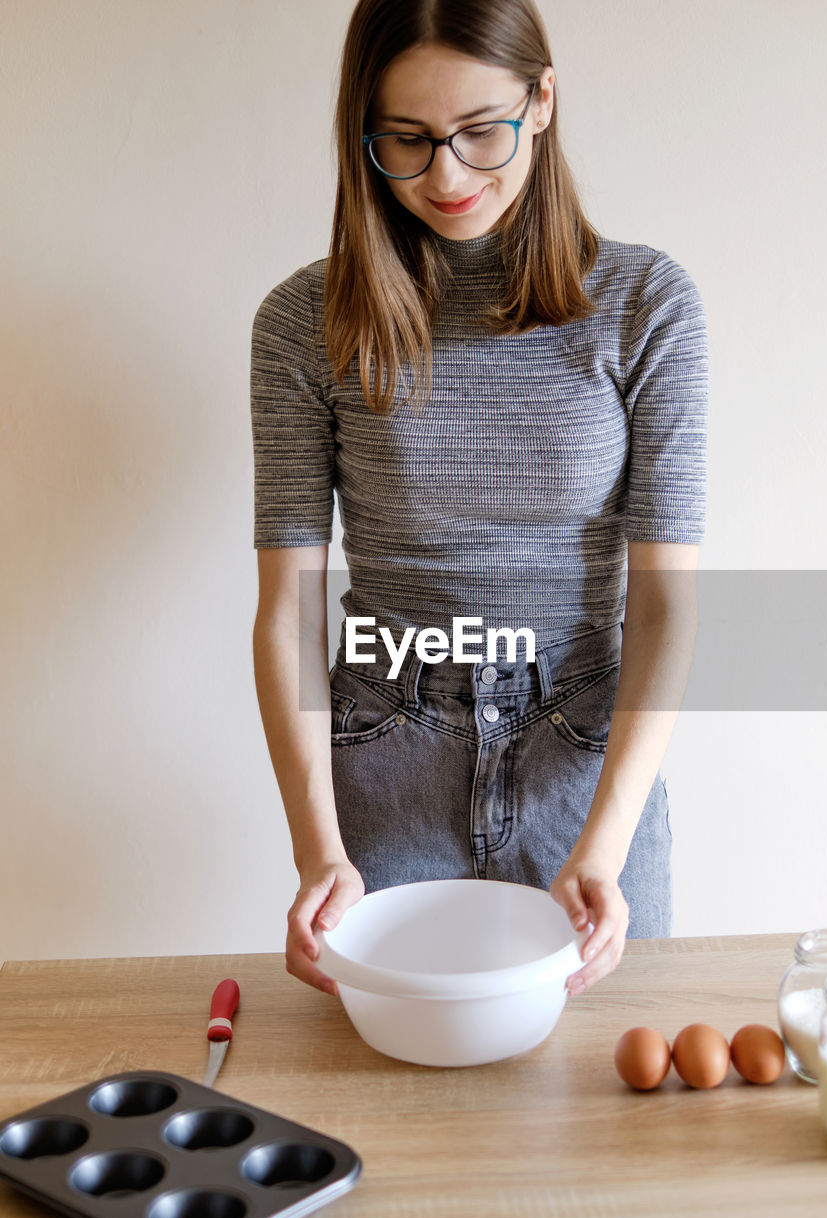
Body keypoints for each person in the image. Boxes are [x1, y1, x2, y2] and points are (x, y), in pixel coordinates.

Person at [251, 0, 707, 1002]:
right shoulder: (304, 322)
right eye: (405, 141)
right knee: (402, 1116)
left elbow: (668, 603)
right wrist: (318, 849)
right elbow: (287, 606)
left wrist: (606, 839)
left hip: (584, 767)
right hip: (387, 752)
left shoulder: (645, 305)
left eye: (477, 132)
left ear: (542, 101)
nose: (446, 176)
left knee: (606, 1101)